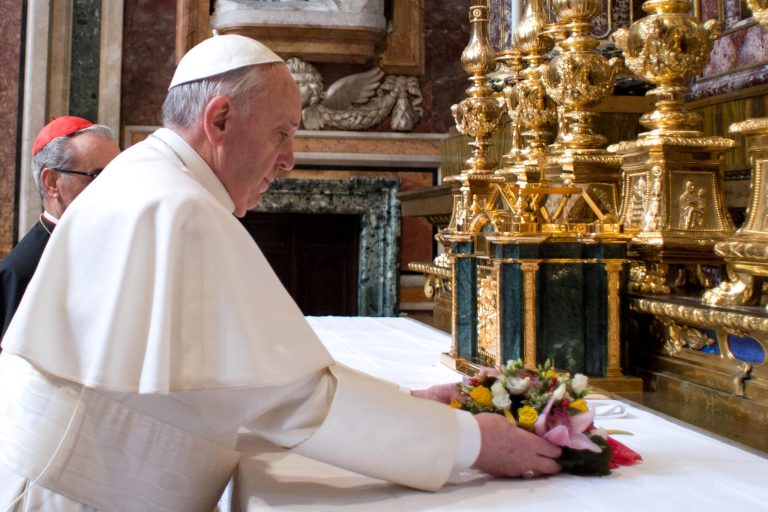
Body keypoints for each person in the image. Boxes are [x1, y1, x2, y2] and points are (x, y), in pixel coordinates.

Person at [0, 35, 561, 511]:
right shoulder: (176, 205)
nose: (290, 158)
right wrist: (472, 443)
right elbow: (291, 400)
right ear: (219, 119)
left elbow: (240, 381)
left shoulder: (154, 181)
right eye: (282, 133)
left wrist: (405, 397)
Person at [0, 116, 120, 339]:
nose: (115, 187)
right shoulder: (19, 273)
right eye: (98, 175)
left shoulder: (118, 244)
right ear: (52, 182)